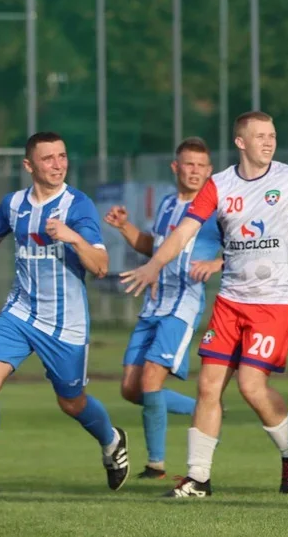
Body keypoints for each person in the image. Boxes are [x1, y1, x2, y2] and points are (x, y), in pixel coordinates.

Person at [120, 111, 288, 498]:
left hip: (273, 301)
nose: (269, 141)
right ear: (240, 142)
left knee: (250, 385)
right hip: (230, 301)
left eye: (273, 135)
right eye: (260, 135)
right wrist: (153, 265)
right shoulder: (219, 185)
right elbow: (184, 233)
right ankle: (198, 478)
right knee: (208, 386)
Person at [0, 132, 130, 501]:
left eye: (62, 156)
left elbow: (101, 266)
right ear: (29, 165)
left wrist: (72, 236)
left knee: (71, 402)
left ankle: (112, 439)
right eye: (48, 159)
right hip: (20, 312)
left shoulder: (78, 205)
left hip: (65, 323)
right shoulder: (13, 204)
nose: (58, 165)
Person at [104, 137, 224, 478]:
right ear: (176, 167)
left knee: (152, 378)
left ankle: (155, 464)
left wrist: (216, 264)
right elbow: (155, 248)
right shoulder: (169, 203)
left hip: (182, 306)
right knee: (131, 387)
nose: (195, 171)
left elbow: (245, 249)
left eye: (202, 166)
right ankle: (207, 408)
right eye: (189, 164)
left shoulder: (216, 210)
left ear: (210, 170)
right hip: (153, 303)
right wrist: (125, 227)